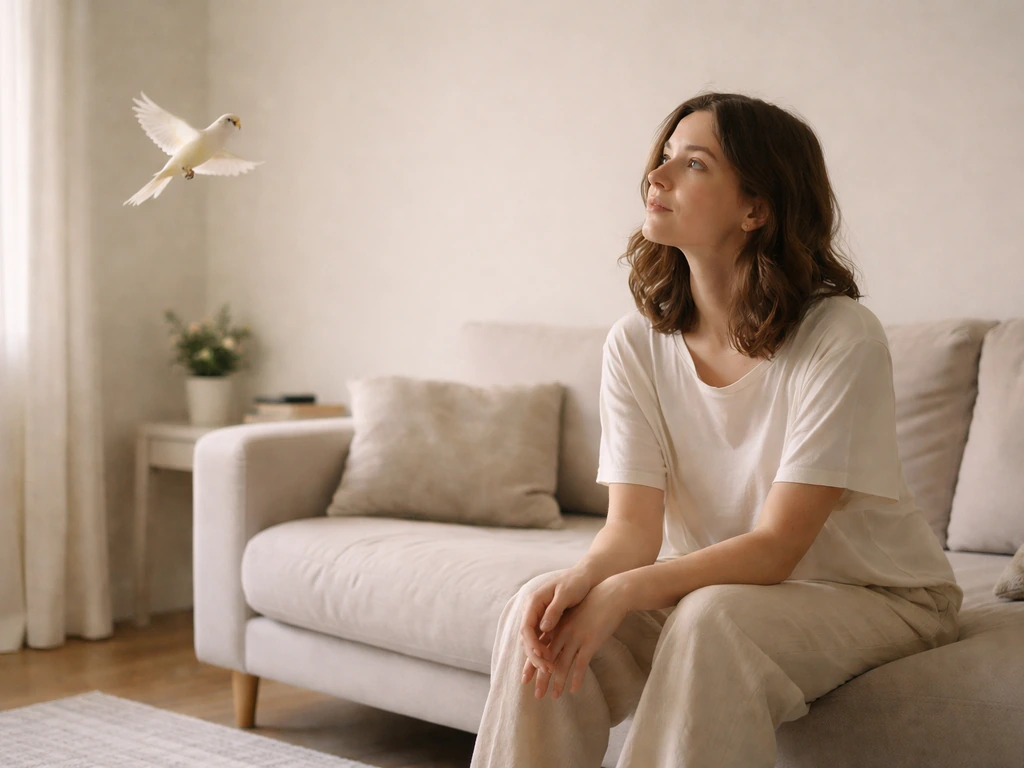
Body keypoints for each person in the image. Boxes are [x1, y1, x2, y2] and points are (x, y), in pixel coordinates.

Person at [469, 92, 963, 768]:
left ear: (755, 208)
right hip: (722, 586)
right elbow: (632, 532)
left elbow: (777, 546)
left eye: (693, 163)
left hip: (876, 595)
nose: (657, 177)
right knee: (541, 609)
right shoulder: (635, 344)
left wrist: (630, 588)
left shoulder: (840, 336)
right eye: (663, 158)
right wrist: (588, 578)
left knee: (711, 619)